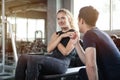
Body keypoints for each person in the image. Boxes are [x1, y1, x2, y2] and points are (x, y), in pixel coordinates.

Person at [15, 8, 77, 80]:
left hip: (62, 63)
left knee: (33, 59)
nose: (60, 21)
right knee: (23, 58)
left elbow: (65, 52)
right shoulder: (56, 34)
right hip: (52, 58)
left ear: (69, 18)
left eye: (63, 18)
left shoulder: (74, 33)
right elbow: (49, 49)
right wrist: (61, 37)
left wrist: (57, 40)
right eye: (58, 19)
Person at [73, 6, 120, 80]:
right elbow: (87, 61)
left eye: (77, 20)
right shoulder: (101, 33)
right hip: (115, 74)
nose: (77, 23)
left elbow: (91, 66)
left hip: (112, 76)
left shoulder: (89, 35)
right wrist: (76, 44)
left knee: (82, 73)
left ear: (81, 20)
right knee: (83, 72)